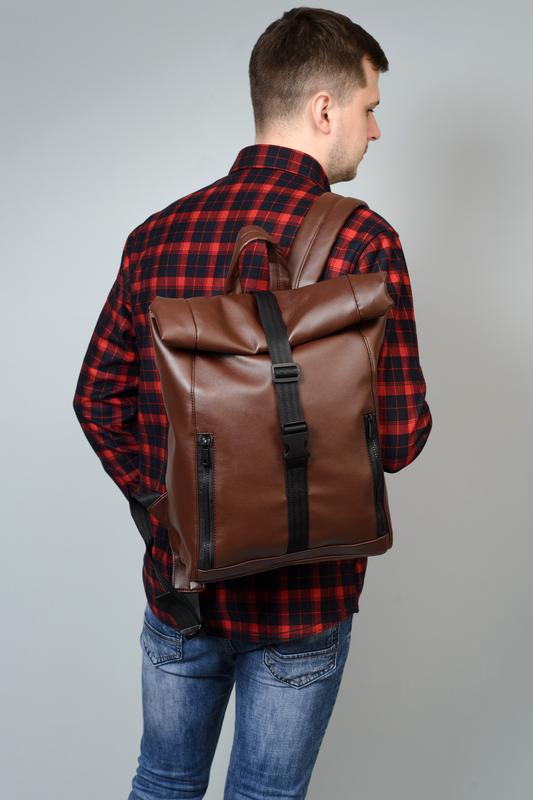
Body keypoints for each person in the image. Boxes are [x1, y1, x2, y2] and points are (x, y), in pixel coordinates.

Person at [72, 7, 432, 799]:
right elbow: (401, 438)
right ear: (324, 109)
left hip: (183, 589)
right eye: (368, 108)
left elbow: (95, 399)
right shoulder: (364, 243)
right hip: (304, 601)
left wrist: (169, 508)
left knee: (161, 784)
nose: (374, 130)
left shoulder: (156, 236)